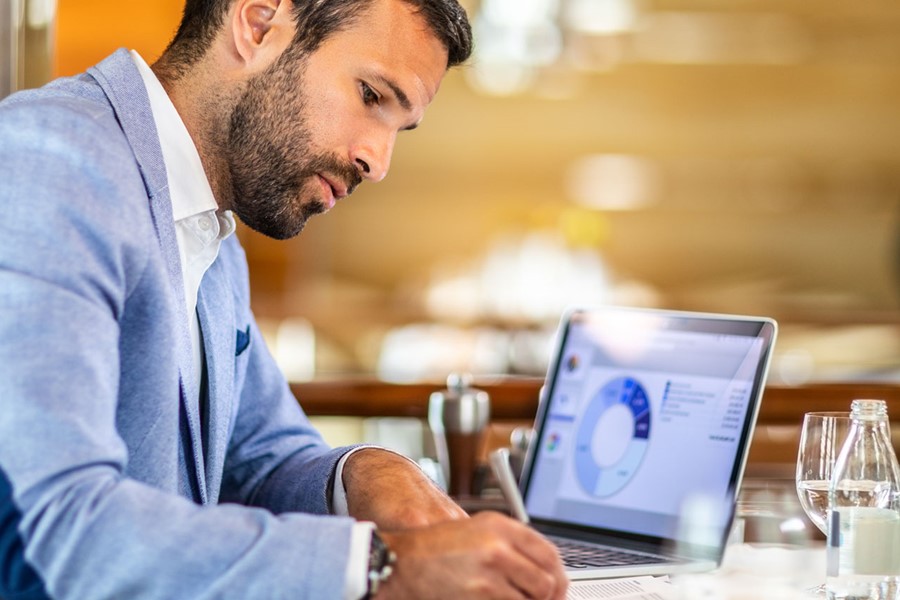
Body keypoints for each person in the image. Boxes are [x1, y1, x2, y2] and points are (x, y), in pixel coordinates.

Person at [0, 0, 569, 598]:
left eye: (398, 127)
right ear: (258, 23)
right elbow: (53, 531)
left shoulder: (212, 235)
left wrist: (364, 475)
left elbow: (260, 457)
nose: (377, 163)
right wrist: (380, 565)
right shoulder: (47, 165)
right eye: (372, 97)